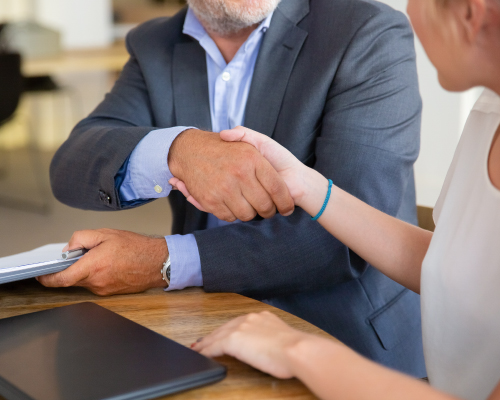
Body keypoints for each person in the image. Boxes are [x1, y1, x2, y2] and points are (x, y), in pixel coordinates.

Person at [47, 0, 426, 376]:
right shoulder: (155, 43)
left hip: (346, 342)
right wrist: (177, 150)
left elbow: (344, 239)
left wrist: (163, 261)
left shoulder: (368, 32)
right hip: (201, 328)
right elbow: (71, 165)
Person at [189, 0, 500, 398]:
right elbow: (457, 264)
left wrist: (297, 349)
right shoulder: (488, 114)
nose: (408, 10)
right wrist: (307, 186)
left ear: (470, 14)